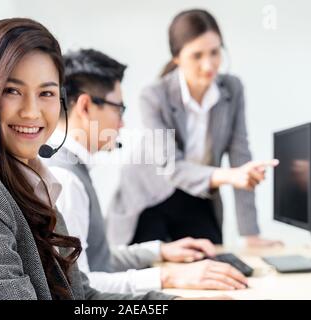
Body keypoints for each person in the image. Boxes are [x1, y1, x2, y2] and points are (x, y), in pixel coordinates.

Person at [0, 18, 175, 300]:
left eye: (46, 93)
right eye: (12, 90)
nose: (32, 111)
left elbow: (81, 297)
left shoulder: (31, 183)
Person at [45, 49, 248, 294]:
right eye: (118, 108)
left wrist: (160, 250)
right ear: (86, 106)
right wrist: (168, 276)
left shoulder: (71, 168)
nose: (122, 123)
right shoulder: (67, 181)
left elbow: (98, 258)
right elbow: (79, 286)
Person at [107, 9, 282, 247]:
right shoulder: (154, 96)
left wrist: (251, 235)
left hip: (198, 194)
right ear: (177, 57)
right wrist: (230, 176)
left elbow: (241, 158)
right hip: (149, 197)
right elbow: (170, 166)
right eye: (197, 55)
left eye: (214, 52)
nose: (208, 65)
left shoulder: (232, 89)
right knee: (153, 269)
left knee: (213, 262)